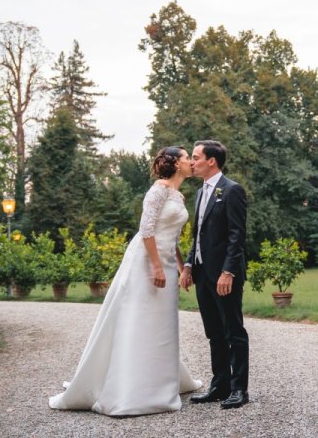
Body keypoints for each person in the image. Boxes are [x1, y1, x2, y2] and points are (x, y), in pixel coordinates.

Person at [49, 146, 202, 416]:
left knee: (162, 322)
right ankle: (131, 387)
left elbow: (173, 236)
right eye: (187, 158)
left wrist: (180, 267)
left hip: (166, 261)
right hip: (146, 262)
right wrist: (155, 266)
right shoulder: (158, 190)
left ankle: (161, 378)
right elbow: (147, 230)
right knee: (139, 319)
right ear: (176, 164)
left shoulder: (178, 194)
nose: (191, 161)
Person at [179, 140, 250, 409]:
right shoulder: (200, 193)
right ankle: (220, 385)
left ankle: (239, 390)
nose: (192, 162)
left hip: (224, 275)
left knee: (234, 331)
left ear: (211, 161)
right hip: (201, 273)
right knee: (214, 332)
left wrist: (228, 271)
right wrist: (187, 266)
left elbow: (237, 236)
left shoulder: (232, 191)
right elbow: (197, 235)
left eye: (196, 157)